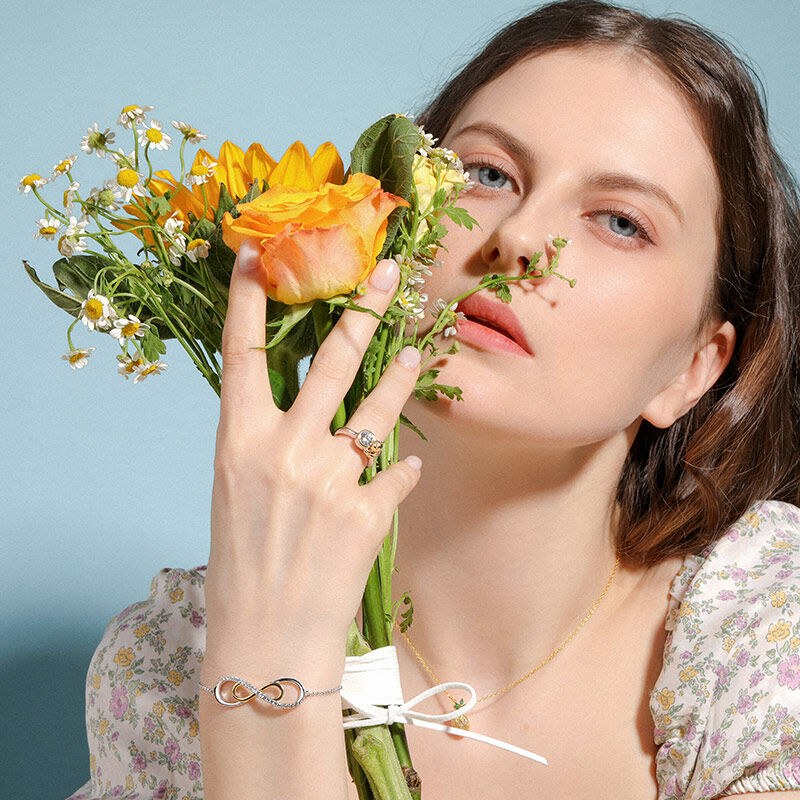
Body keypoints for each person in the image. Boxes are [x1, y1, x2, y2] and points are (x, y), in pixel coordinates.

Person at [66, 1, 800, 798]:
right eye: (488, 174)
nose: (519, 236)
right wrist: (265, 658)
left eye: (621, 222)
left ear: (694, 368)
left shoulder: (763, 636)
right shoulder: (171, 668)